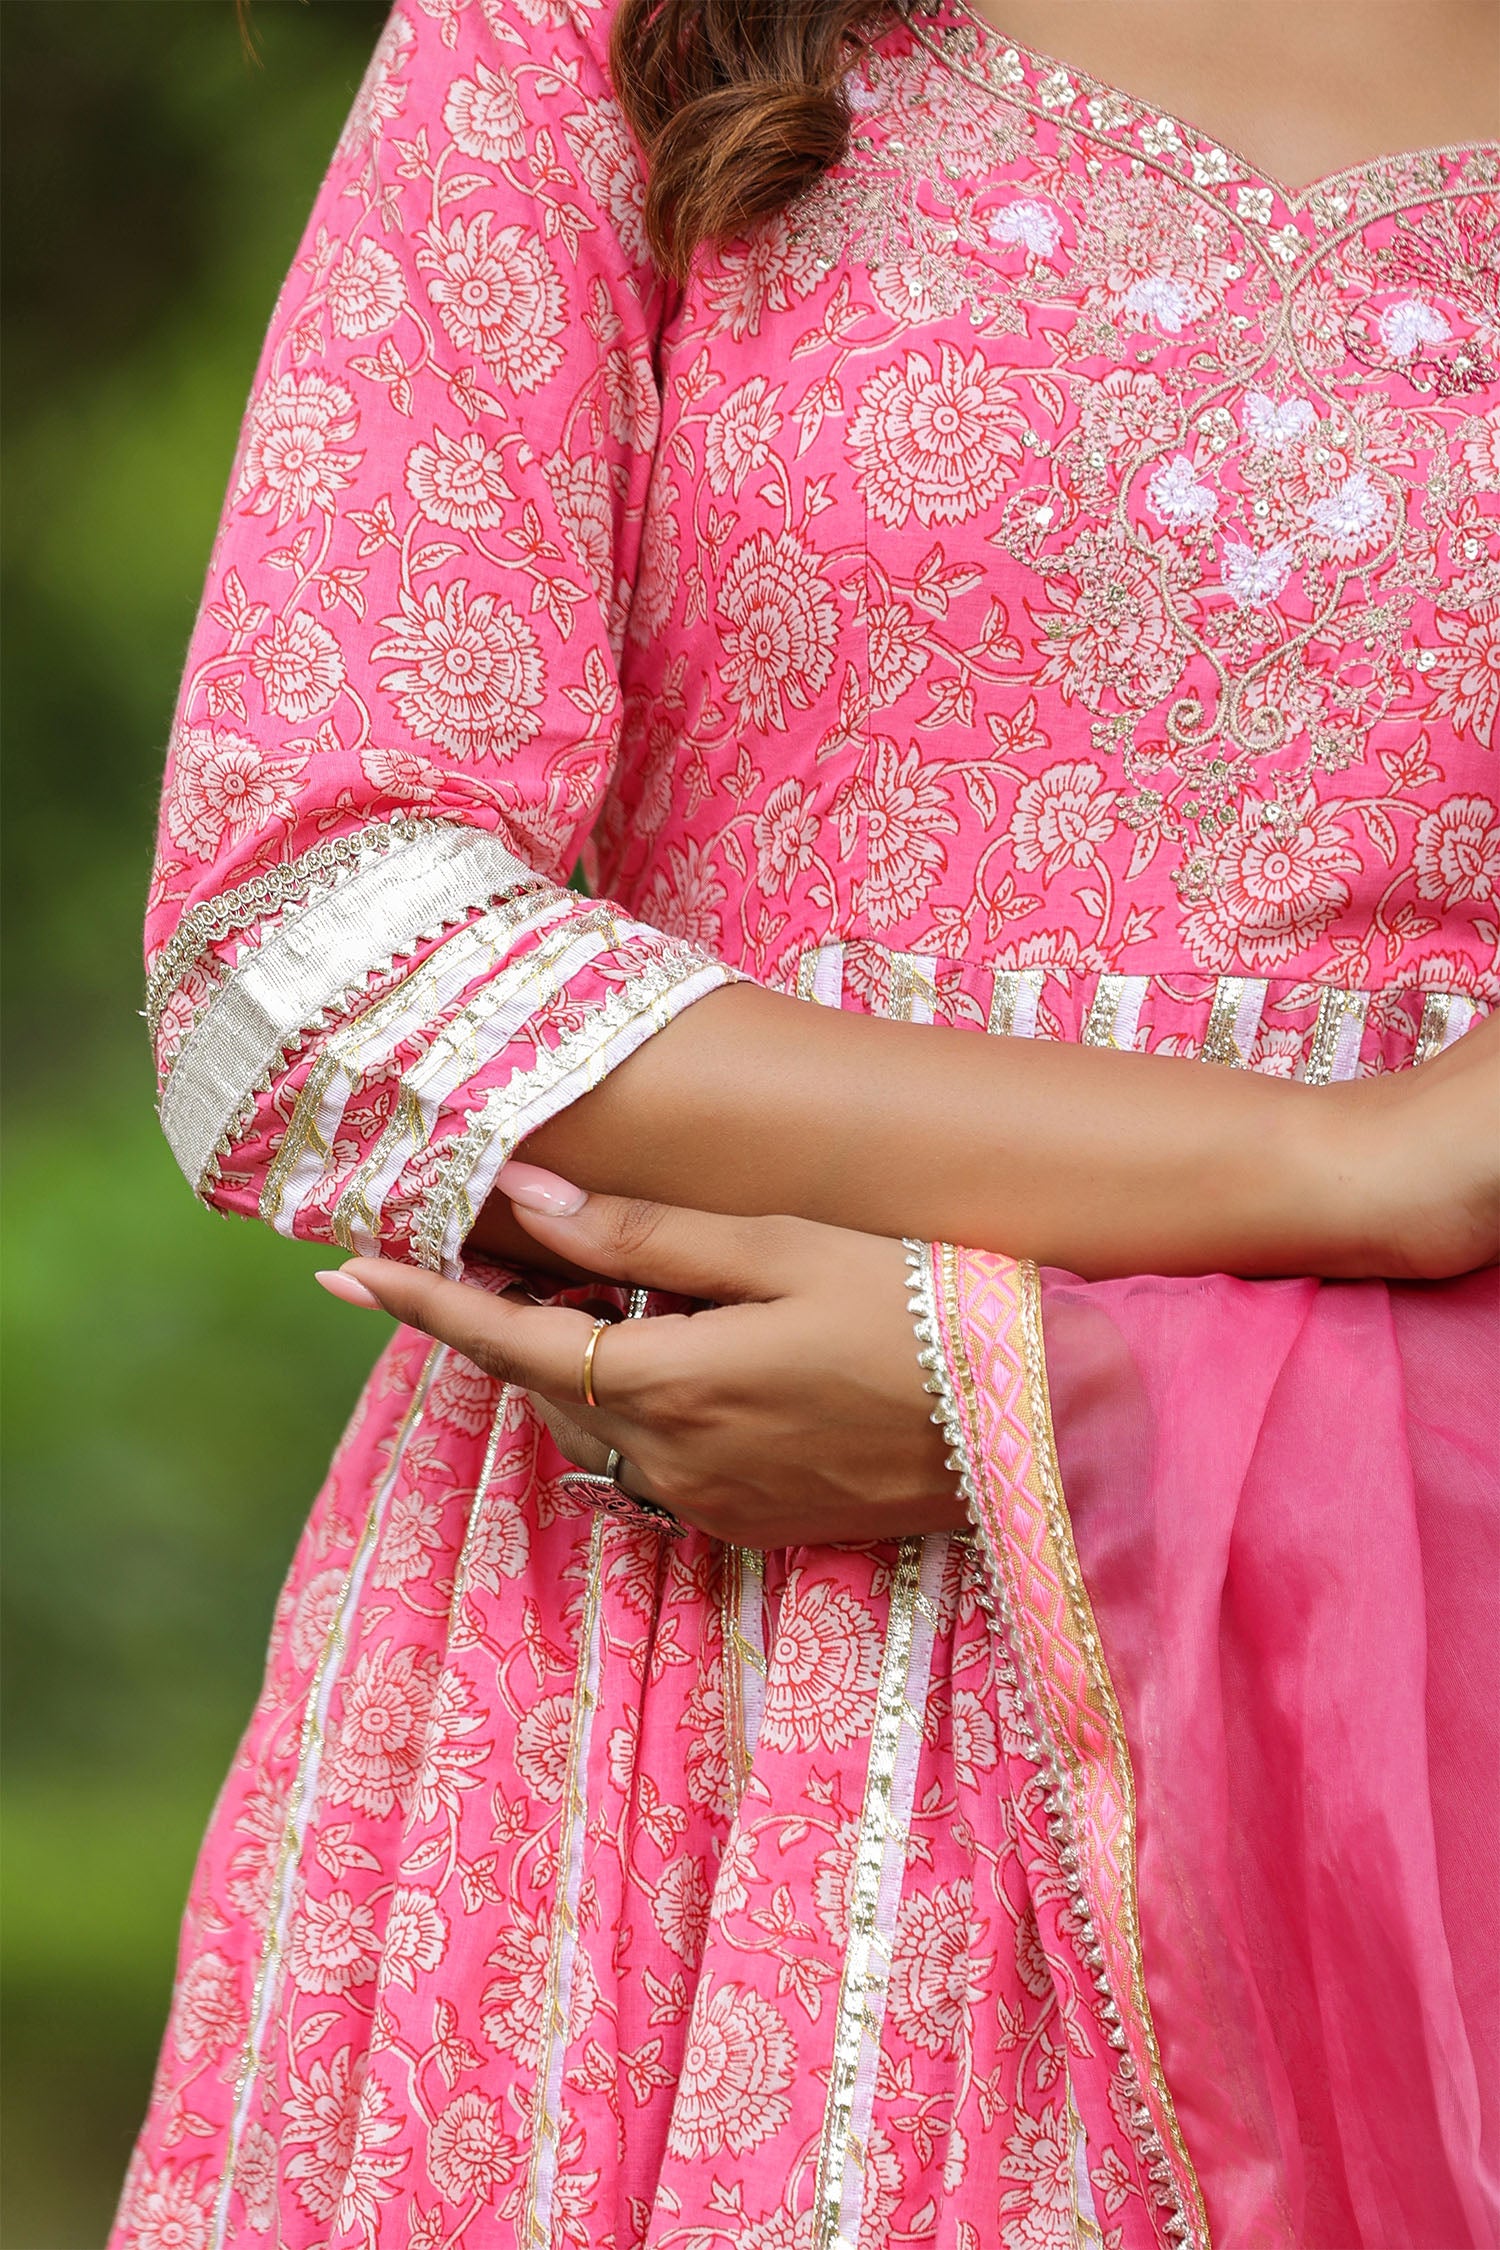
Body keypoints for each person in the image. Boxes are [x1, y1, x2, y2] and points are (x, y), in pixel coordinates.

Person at [115, 0, 1498, 2240]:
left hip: (1402, 1734)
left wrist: (1063, 1384)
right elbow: (311, 955)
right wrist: (1348, 1171)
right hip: (667, 1719)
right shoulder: (604, 33)